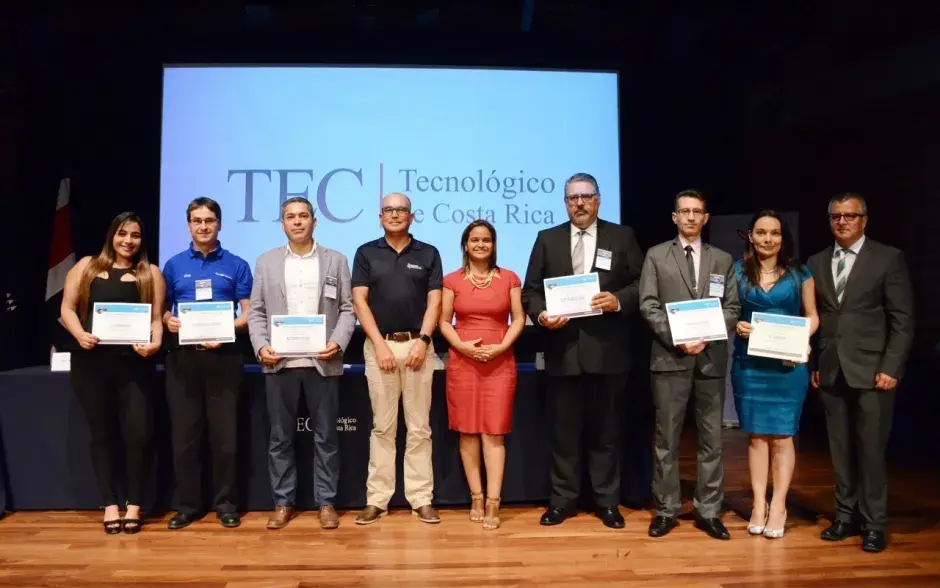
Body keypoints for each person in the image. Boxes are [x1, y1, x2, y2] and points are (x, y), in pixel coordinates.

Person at [522, 172, 644, 529]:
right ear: (565, 203)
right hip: (563, 352)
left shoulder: (622, 236)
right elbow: (530, 291)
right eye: (573, 198)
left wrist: (618, 300)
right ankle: (562, 501)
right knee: (564, 434)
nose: (580, 203)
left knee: (606, 433)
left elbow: (641, 283)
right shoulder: (548, 239)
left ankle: (607, 502)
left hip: (608, 353)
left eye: (586, 196)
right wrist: (542, 314)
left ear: (598, 200)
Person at [807, 193, 913, 553]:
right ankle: (844, 517)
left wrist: (890, 367)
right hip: (831, 370)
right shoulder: (817, 261)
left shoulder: (887, 258)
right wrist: (816, 364)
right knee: (839, 450)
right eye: (836, 216)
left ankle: (874, 524)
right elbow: (816, 319)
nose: (843, 222)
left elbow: (903, 320)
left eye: (850, 216)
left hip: (873, 372)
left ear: (864, 220)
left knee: (870, 451)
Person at [247, 197, 355, 530]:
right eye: (291, 217)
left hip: (323, 362)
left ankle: (326, 502)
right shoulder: (266, 261)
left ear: (314, 221)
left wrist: (337, 342)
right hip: (280, 363)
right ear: (282, 223)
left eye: (303, 216)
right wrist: (261, 345)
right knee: (280, 439)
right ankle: (283, 502)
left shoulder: (335, 260)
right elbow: (256, 312)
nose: (297, 222)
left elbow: (348, 310)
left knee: (326, 438)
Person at [639, 190, 740, 540]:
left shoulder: (723, 259)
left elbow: (732, 307)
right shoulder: (656, 256)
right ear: (674, 218)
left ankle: (709, 509)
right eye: (685, 212)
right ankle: (666, 508)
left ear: (707, 217)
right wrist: (677, 337)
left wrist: (706, 336)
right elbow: (648, 304)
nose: (691, 217)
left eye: (697, 212)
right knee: (666, 438)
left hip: (710, 359)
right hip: (670, 357)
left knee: (711, 439)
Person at [59, 212, 165, 534]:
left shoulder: (151, 274)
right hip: (92, 365)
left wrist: (155, 343)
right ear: (112, 235)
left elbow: (157, 320)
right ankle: (109, 504)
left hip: (135, 367)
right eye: (122, 234)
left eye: (135, 235)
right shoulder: (87, 267)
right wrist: (79, 334)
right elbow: (66, 308)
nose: (128, 241)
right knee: (103, 435)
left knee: (138, 436)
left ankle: (134, 503)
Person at [351, 192, 444, 525]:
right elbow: (360, 302)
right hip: (381, 348)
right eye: (388, 210)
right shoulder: (365, 253)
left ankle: (421, 498)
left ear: (411, 216)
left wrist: (423, 340)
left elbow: (435, 303)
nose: (394, 214)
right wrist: (379, 345)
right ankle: (377, 500)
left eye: (400, 210)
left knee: (419, 428)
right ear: (380, 216)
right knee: (382, 428)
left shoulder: (429, 253)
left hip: (419, 347)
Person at [162, 197, 253, 530]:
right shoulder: (172, 266)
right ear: (188, 224)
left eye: (210, 220)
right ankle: (187, 506)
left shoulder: (237, 265)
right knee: (185, 438)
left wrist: (229, 327)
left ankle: (226, 504)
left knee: (225, 438)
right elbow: (162, 309)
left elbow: (248, 313)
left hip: (224, 358)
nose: (203, 226)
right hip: (183, 360)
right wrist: (167, 319)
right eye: (197, 220)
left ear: (220, 224)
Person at [730, 210, 818, 540]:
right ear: (750, 236)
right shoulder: (736, 272)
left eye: (775, 233)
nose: (769, 239)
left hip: (787, 367)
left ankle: (778, 505)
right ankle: (757, 504)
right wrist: (737, 324)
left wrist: (800, 337)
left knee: (782, 437)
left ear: (783, 238)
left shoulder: (800, 273)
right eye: (762, 232)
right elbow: (729, 312)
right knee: (756, 437)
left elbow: (813, 317)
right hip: (750, 366)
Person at [439, 220, 525, 530]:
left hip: (500, 362)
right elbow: (444, 322)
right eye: (474, 239)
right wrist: (463, 346)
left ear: (494, 244)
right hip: (463, 362)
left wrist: (501, 346)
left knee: (494, 432)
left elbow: (518, 318)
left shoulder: (510, 278)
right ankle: (476, 495)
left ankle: (493, 501)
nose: (480, 244)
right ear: (465, 244)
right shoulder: (451, 280)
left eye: (486, 240)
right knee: (468, 431)